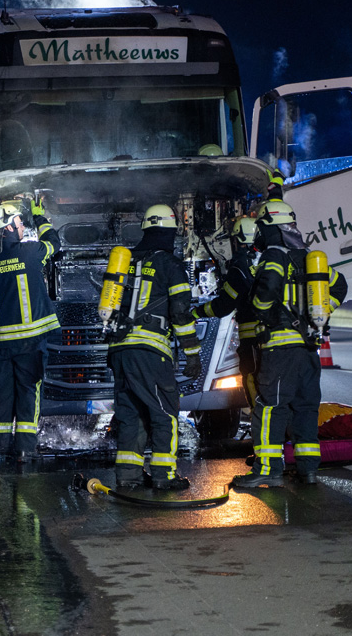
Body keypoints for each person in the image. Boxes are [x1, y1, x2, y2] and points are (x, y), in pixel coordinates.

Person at [233, 200, 347, 488]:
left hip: (280, 348)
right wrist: (321, 312)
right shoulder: (308, 257)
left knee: (270, 406)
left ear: (269, 227)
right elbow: (339, 285)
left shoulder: (274, 254)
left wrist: (264, 312)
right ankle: (308, 470)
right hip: (308, 348)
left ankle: (267, 469)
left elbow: (267, 289)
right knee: (305, 408)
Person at [109, 204, 202, 490]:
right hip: (150, 351)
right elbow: (181, 313)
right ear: (170, 233)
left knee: (130, 413)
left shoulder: (125, 261)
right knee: (164, 412)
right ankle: (164, 475)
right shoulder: (171, 265)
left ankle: (128, 475)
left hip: (119, 350)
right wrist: (192, 354)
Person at [0, 198, 60, 462]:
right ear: (8, 227)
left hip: (3, 344)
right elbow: (54, 243)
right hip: (30, 342)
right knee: (28, 393)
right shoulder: (29, 252)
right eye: (19, 222)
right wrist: (40, 217)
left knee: (3, 396)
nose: (23, 226)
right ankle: (25, 449)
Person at [193, 216, 262, 406]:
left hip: (252, 339)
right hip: (276, 337)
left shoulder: (239, 268)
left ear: (239, 240)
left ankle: (261, 419)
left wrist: (197, 312)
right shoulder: (269, 260)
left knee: (253, 380)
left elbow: (224, 306)